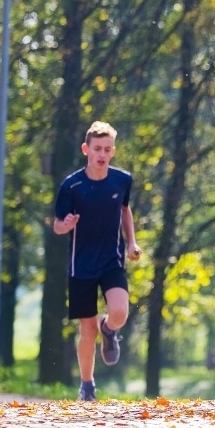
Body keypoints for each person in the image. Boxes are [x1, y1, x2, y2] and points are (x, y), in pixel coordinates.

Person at [53, 121, 141, 401]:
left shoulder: (122, 180)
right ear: (86, 149)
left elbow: (125, 210)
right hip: (81, 266)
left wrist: (132, 242)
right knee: (87, 330)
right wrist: (67, 224)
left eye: (107, 149)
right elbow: (57, 225)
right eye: (97, 149)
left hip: (111, 260)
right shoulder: (72, 186)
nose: (102, 154)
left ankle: (109, 329)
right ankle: (87, 386)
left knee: (119, 313)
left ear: (113, 151)